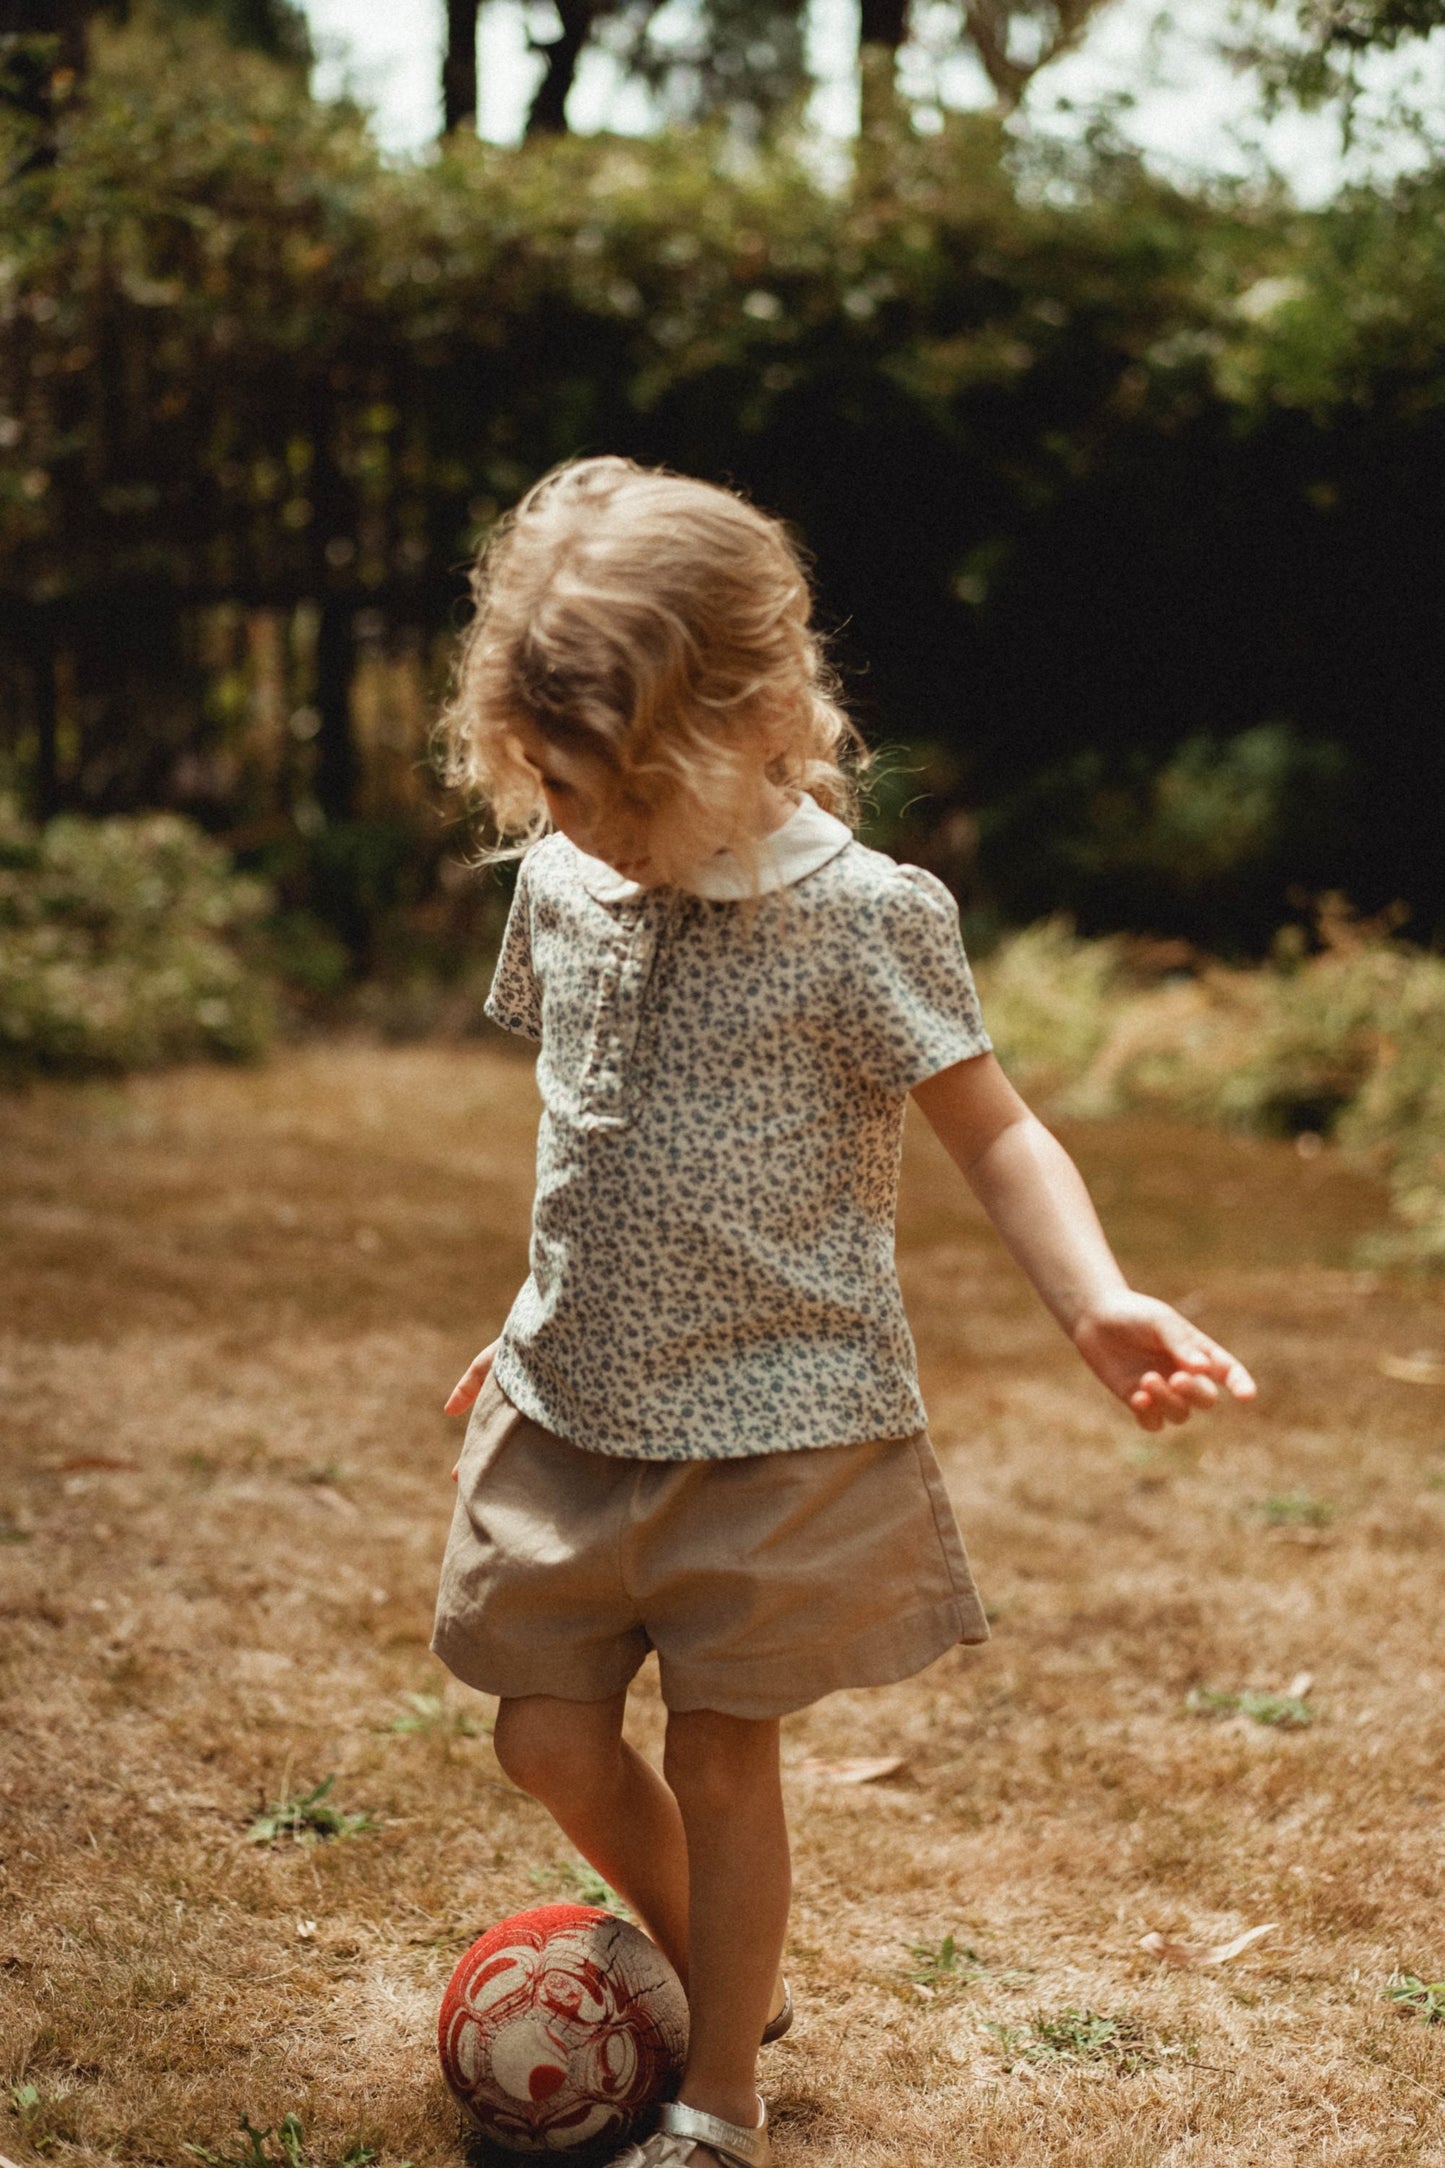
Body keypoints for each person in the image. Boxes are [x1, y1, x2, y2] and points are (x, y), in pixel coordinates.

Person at [430, 456, 1256, 2168]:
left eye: (604, 787)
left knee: (726, 1761)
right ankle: (732, 1973)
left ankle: (720, 2089)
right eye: (546, 781)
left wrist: (1093, 1299)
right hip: (569, 1401)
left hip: (778, 1420)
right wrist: (532, 1308)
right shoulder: (563, 887)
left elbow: (999, 1130)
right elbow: (588, 1129)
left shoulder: (863, 919)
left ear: (749, 724)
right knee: (545, 1739)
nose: (572, 820)